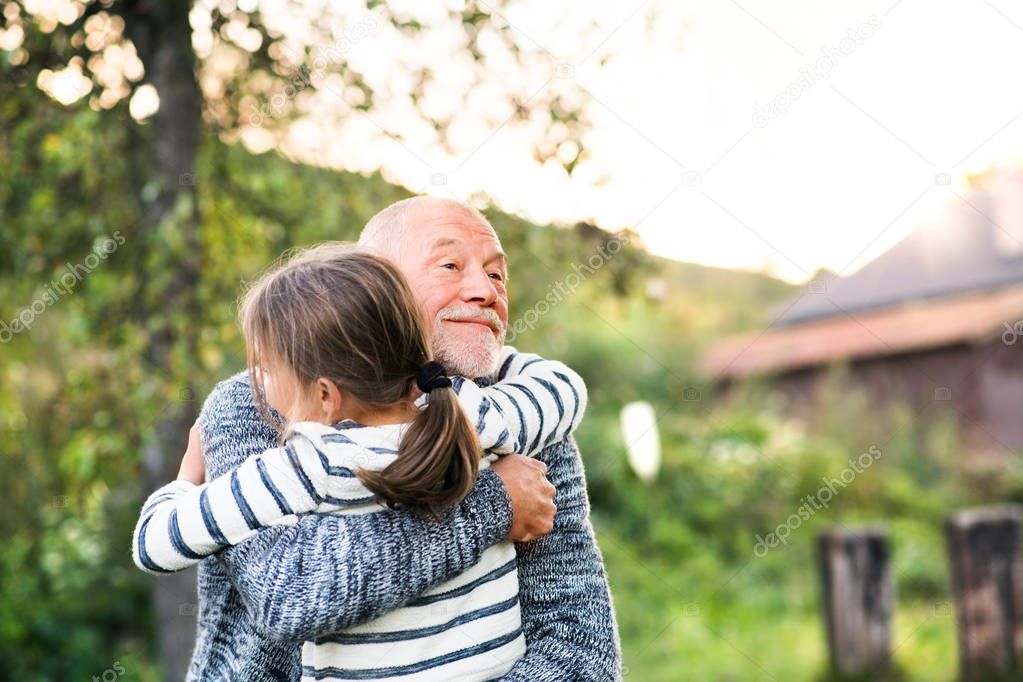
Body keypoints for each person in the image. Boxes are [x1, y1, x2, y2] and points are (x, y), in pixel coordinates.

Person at [189, 197, 621, 680]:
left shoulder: (523, 418)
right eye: (450, 265)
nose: (484, 290)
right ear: (374, 284)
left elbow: (579, 649)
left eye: (497, 275)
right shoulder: (260, 402)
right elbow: (287, 592)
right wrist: (495, 504)